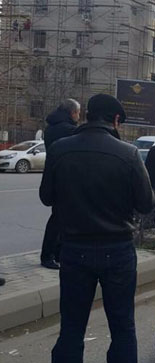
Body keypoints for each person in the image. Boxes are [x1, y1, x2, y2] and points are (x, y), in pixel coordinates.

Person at [40, 93, 153, 363]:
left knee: (71, 331)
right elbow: (145, 202)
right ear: (115, 120)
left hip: (74, 251)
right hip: (117, 251)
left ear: (87, 116)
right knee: (122, 328)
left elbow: (46, 197)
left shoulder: (61, 150)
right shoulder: (129, 154)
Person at [40, 99, 81, 269]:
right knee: (59, 219)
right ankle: (49, 254)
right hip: (66, 178)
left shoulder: (51, 128)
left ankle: (55, 253)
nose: (79, 116)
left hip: (54, 176)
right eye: (78, 113)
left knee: (59, 216)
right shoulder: (70, 130)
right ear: (72, 113)